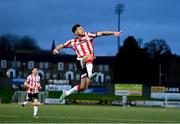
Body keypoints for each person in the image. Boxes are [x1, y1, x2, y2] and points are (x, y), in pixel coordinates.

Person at [53, 24, 122, 102]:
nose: (82, 30)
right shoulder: (72, 41)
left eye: (82, 28)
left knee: (83, 87)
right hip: (80, 61)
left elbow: (101, 33)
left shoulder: (88, 35)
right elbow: (62, 45)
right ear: (75, 32)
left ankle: (66, 93)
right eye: (80, 29)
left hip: (87, 65)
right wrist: (56, 49)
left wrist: (113, 33)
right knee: (89, 56)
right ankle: (90, 74)